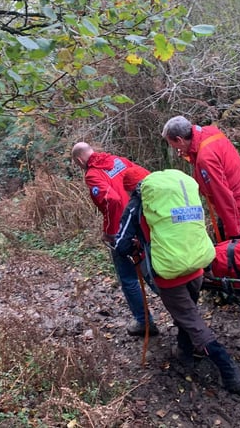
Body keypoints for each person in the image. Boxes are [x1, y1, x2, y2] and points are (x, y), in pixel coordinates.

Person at [114, 167, 240, 394]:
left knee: (193, 322)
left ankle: (229, 371)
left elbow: (122, 244)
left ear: (133, 188)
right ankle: (184, 351)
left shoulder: (138, 202)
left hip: (170, 274)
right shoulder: (176, 195)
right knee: (188, 313)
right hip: (197, 265)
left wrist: (127, 243)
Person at [161, 115, 240, 320]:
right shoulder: (208, 133)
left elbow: (222, 195)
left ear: (180, 139)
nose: (174, 149)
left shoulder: (206, 157)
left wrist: (233, 229)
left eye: (173, 144)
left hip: (236, 207)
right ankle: (232, 291)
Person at [71, 142, 158, 337]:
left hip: (123, 229)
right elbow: (145, 176)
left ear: (79, 160)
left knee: (128, 277)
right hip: (144, 220)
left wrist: (111, 231)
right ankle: (182, 311)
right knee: (152, 269)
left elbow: (112, 200)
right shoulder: (117, 160)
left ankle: (145, 323)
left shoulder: (92, 175)